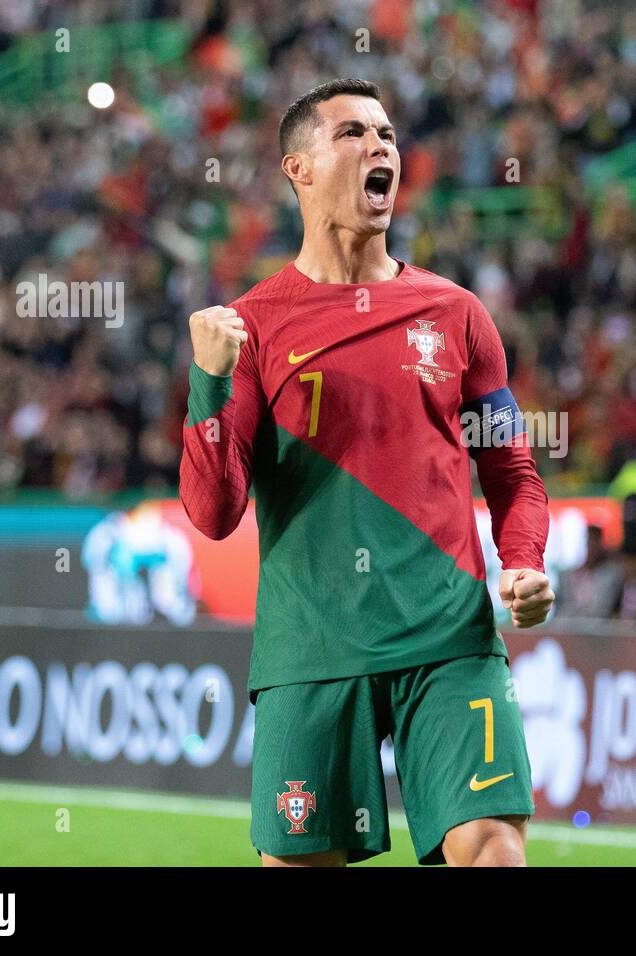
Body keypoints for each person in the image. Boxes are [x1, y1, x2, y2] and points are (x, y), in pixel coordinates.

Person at [179, 79, 553, 867]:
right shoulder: (252, 328)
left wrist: (522, 562)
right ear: (300, 168)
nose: (381, 146)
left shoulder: (457, 315)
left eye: (387, 133)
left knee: (493, 850)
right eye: (353, 133)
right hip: (312, 647)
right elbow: (214, 514)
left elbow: (512, 468)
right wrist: (208, 383)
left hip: (449, 637)